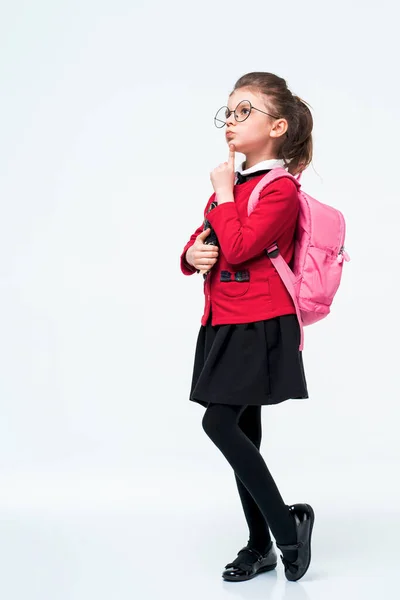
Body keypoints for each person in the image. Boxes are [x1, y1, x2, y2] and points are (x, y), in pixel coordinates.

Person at [179, 72, 315, 583]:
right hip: (225, 319)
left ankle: (287, 528)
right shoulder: (236, 188)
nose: (231, 122)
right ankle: (261, 545)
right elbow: (205, 240)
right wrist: (190, 256)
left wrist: (221, 190)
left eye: (244, 111)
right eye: (228, 113)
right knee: (245, 432)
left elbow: (238, 247)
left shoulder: (279, 190)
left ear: (277, 126)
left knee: (220, 423)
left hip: (259, 322)